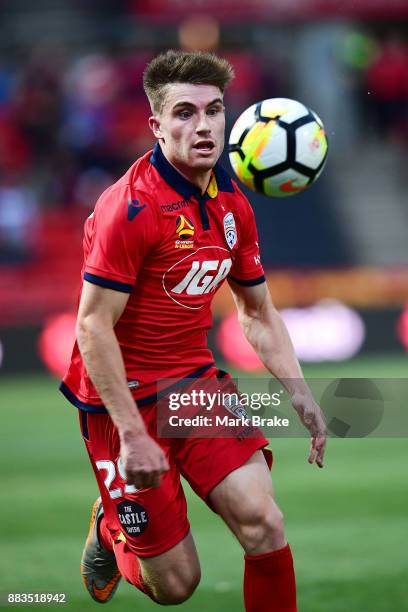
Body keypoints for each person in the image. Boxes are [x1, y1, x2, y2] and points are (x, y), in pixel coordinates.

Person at [60, 49, 326, 611]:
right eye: (184, 113)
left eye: (214, 110)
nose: (203, 125)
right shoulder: (129, 209)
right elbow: (92, 327)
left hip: (193, 385)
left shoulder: (233, 203)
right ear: (156, 126)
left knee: (264, 521)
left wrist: (298, 390)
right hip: (120, 404)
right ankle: (112, 527)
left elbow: (257, 312)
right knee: (176, 587)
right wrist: (132, 435)